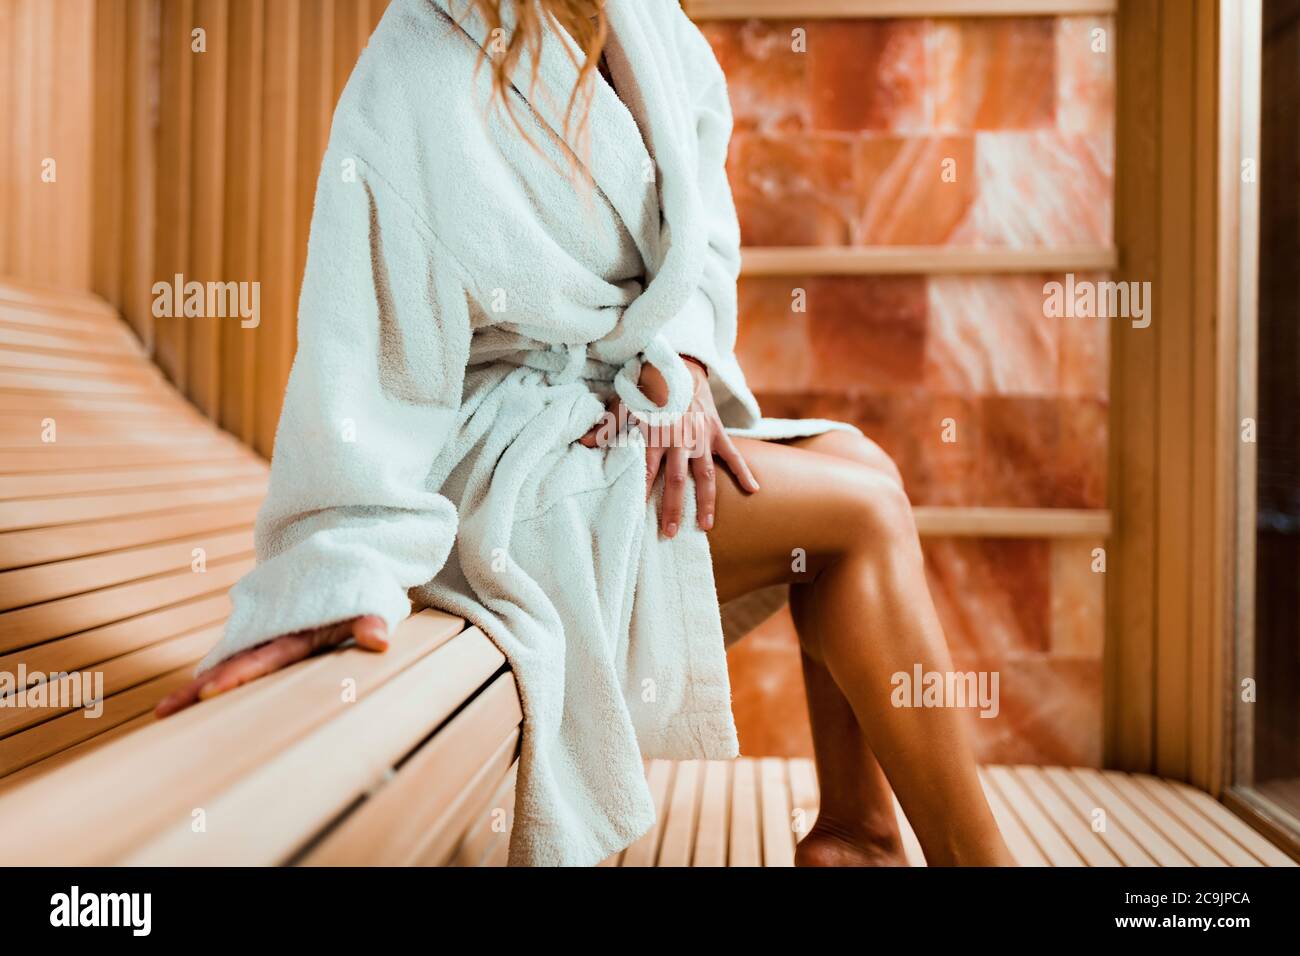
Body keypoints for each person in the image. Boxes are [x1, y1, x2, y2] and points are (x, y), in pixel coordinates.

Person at [156, 0, 1014, 868]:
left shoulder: (643, 21)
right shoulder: (424, 52)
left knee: (857, 463)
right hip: (503, 463)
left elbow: (704, 231)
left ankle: (857, 834)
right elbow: (363, 338)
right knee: (859, 516)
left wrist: (679, 359)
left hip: (610, 411)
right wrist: (331, 569)